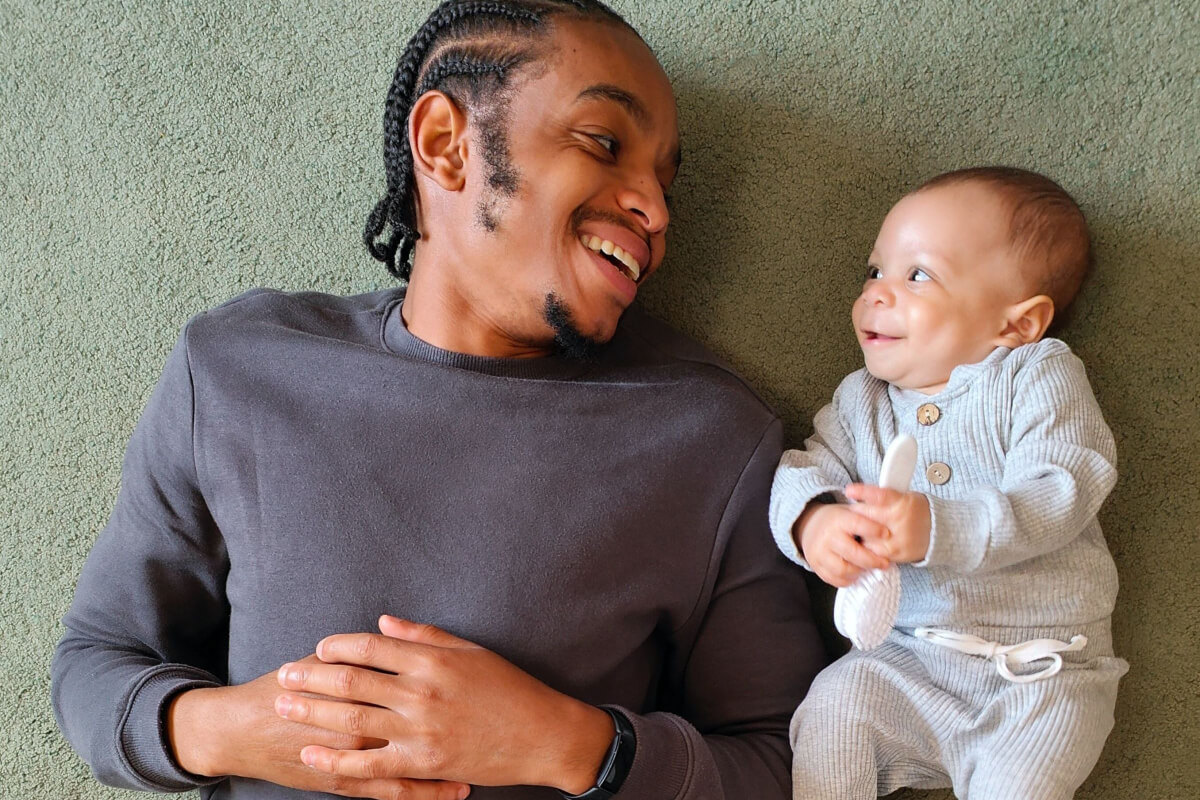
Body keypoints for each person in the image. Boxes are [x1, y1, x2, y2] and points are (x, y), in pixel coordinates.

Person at [51, 2, 825, 799]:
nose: (656, 212)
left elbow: (785, 763)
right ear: (445, 145)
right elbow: (97, 659)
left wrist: (572, 746)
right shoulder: (235, 370)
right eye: (604, 144)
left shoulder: (710, 438)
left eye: (666, 180)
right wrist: (234, 733)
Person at [769, 167, 1129, 800]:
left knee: (1021, 783)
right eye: (874, 270)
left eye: (918, 275)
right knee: (834, 707)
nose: (877, 294)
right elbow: (806, 467)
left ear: (1017, 325)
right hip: (908, 660)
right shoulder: (864, 400)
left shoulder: (1035, 374)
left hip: (1044, 674)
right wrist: (816, 519)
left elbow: (1067, 481)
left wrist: (941, 525)